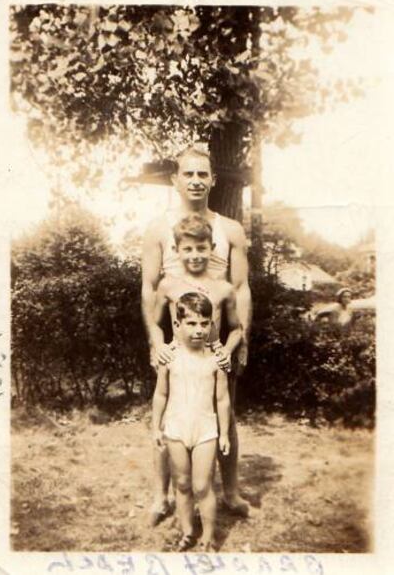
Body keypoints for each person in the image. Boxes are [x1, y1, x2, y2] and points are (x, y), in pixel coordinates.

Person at [142, 144, 252, 524]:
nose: (195, 180)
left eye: (202, 174)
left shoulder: (230, 229)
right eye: (187, 173)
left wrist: (241, 342)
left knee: (224, 416)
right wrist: (155, 342)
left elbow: (240, 289)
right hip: (176, 343)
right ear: (174, 180)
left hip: (217, 345)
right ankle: (161, 496)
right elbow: (149, 287)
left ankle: (231, 492)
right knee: (169, 415)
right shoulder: (158, 228)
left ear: (213, 180)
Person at [152, 293, 231, 552]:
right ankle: (187, 531)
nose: (199, 330)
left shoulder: (216, 360)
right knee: (182, 484)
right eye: (192, 323)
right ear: (177, 325)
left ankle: (209, 536)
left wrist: (224, 435)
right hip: (176, 429)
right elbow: (161, 394)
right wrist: (156, 426)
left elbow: (222, 400)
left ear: (211, 325)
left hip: (205, 430)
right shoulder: (169, 358)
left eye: (204, 324)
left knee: (201, 485)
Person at [150, 214, 243, 371]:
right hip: (178, 359)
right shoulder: (168, 286)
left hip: (211, 360)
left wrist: (226, 350)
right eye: (187, 249)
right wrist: (159, 346)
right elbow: (155, 324)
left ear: (212, 248)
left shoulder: (224, 288)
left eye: (201, 248)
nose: (195, 256)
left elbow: (236, 329)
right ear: (176, 250)